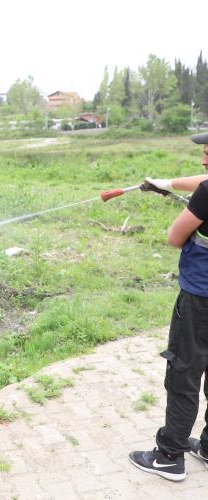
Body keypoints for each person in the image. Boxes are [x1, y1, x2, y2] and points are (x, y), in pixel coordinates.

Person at [129, 132, 208, 482]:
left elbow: (174, 238)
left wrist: (193, 209)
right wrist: (167, 183)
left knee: (184, 374)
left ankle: (169, 456)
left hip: (200, 299)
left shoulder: (207, 193)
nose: (204, 159)